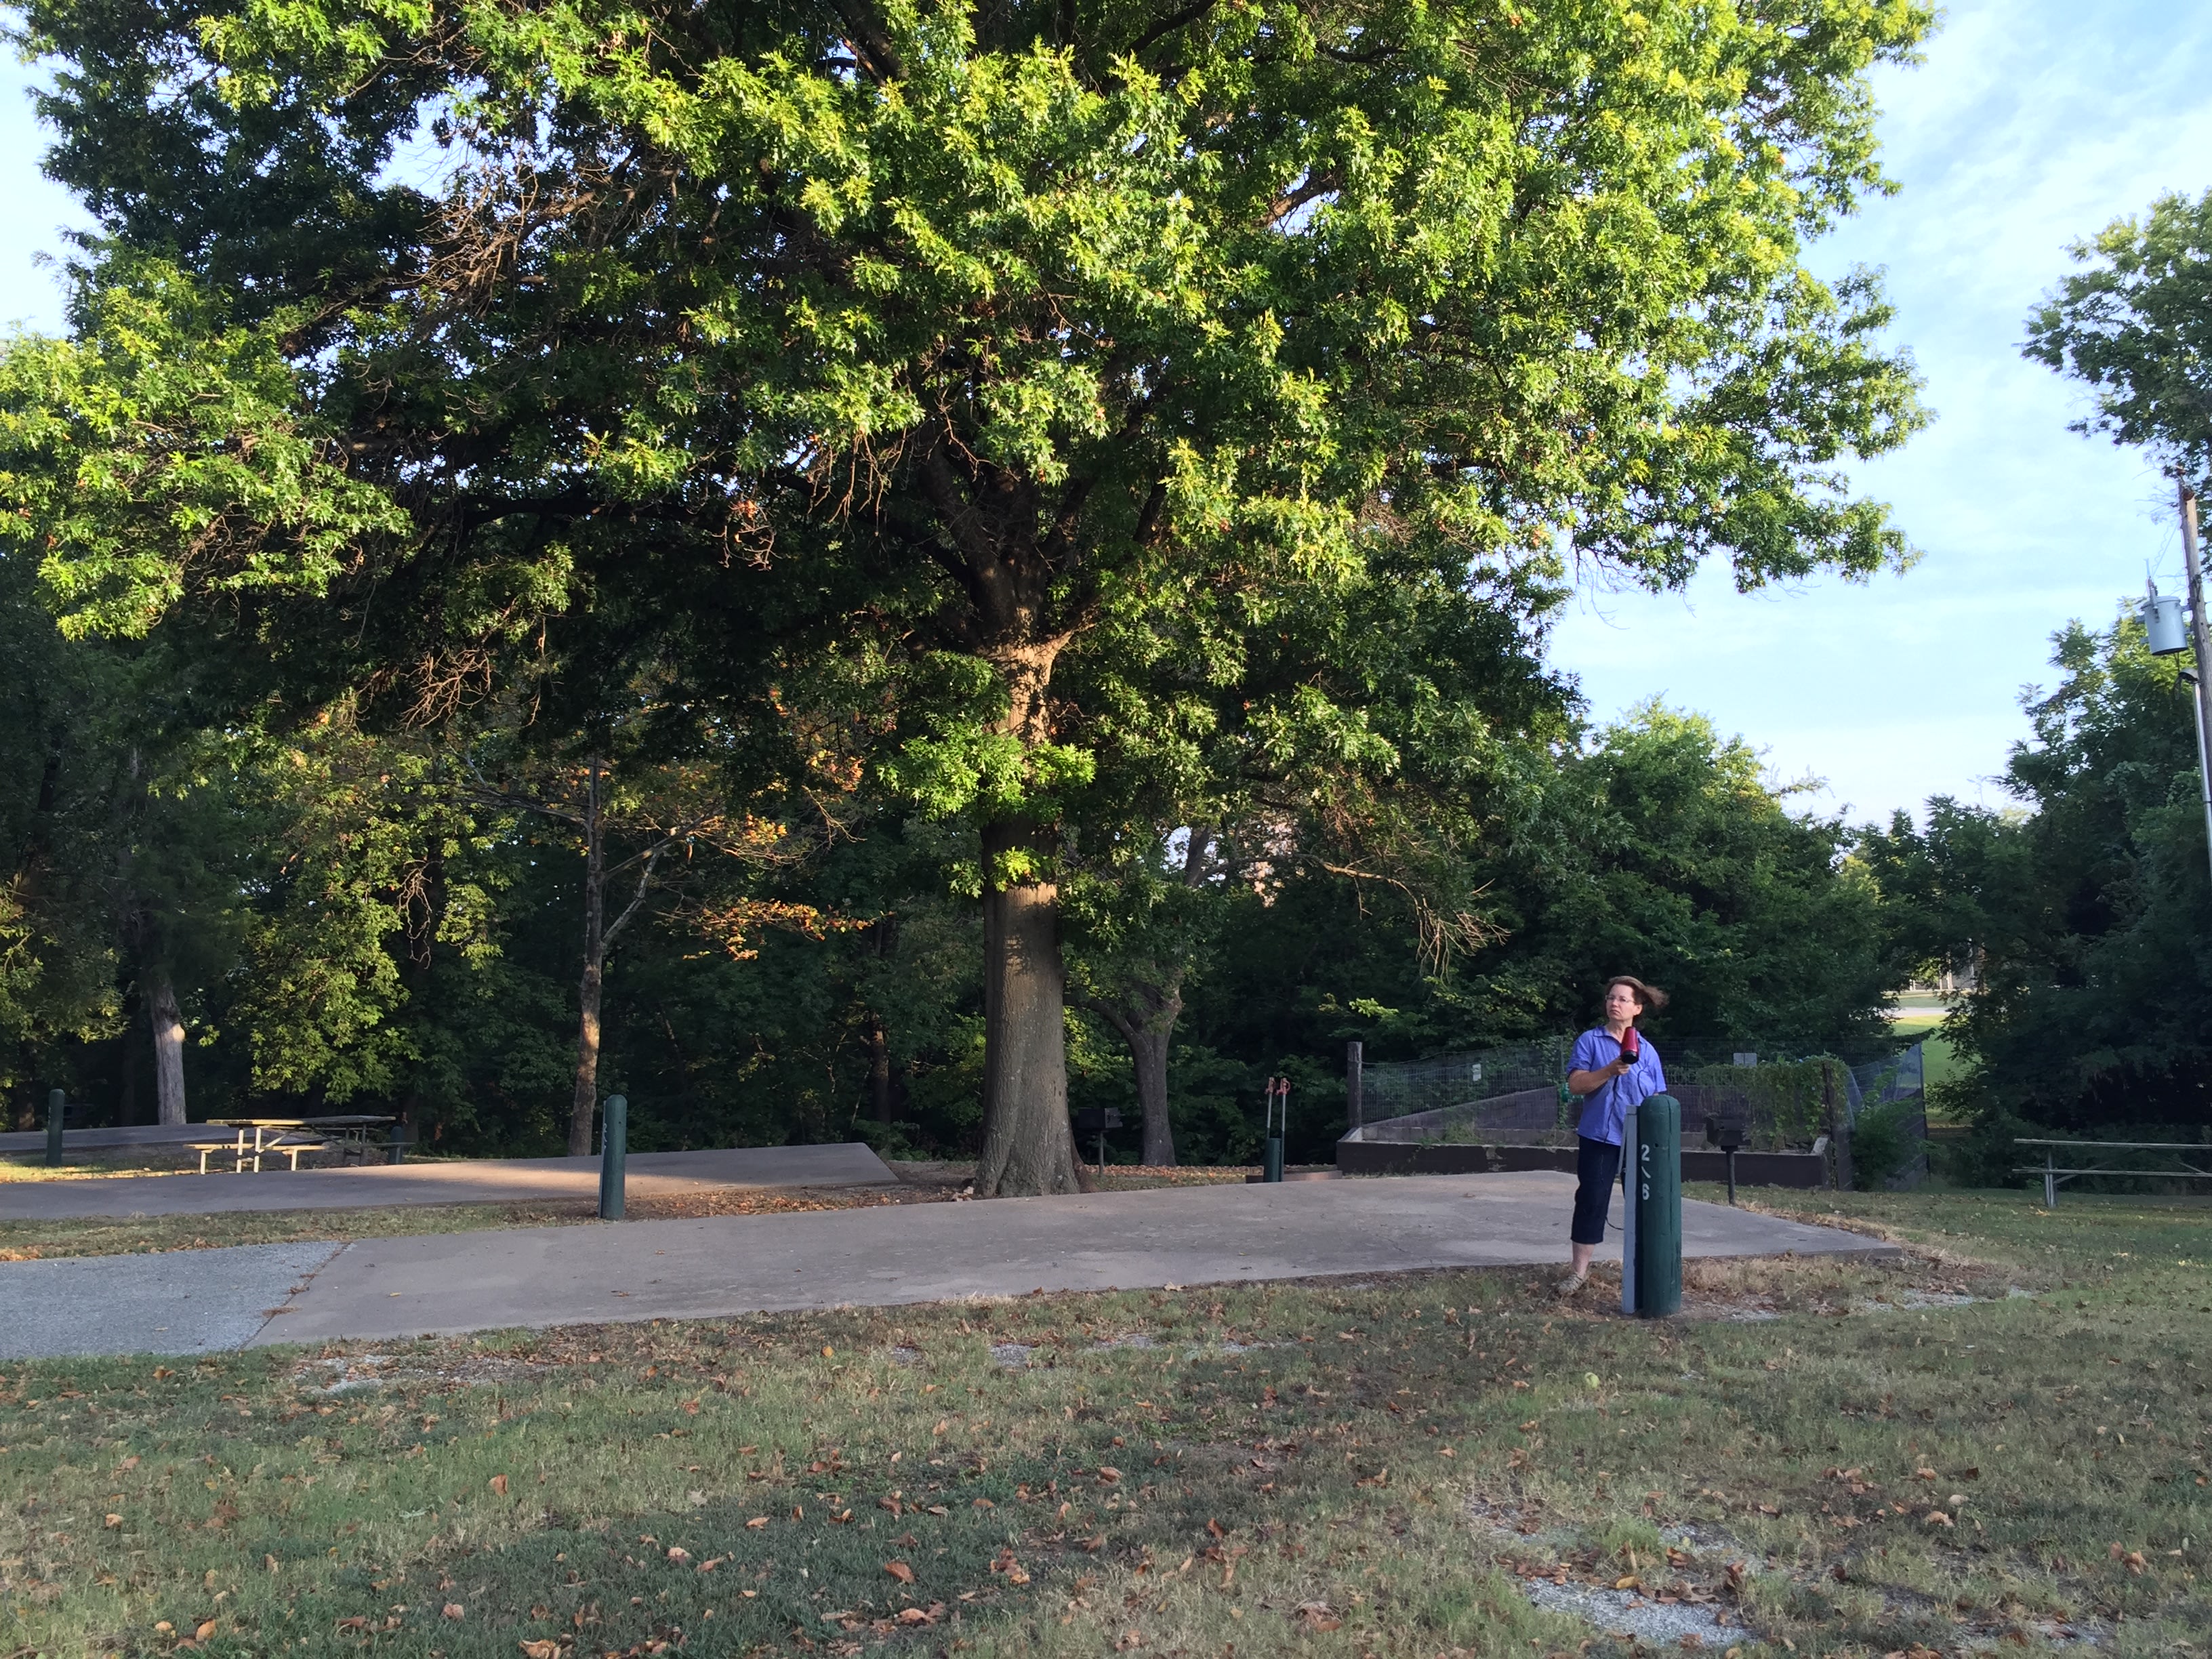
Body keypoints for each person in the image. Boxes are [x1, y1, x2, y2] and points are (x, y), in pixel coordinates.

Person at [1557, 975, 1668, 1297]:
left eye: (1622, 999)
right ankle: (1578, 1274)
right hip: (1599, 1138)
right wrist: (1608, 1070)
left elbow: (1659, 1099)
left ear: (1637, 1007)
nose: (1614, 1003)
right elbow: (1576, 1086)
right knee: (1591, 1201)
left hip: (1639, 1141)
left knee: (1646, 1205)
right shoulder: (1590, 1042)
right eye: (1610, 997)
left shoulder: (1647, 1052)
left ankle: (1648, 1270)